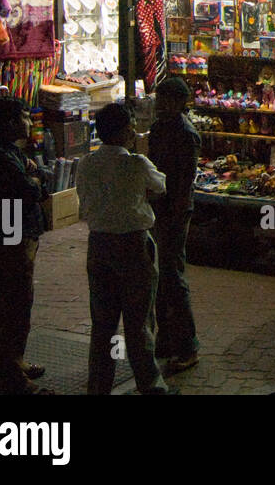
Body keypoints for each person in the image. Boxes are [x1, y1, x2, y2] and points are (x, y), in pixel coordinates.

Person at [76, 102, 170, 395]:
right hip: (133, 245)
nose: (133, 129)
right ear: (122, 130)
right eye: (130, 124)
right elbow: (160, 187)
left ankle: (99, 385)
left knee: (103, 324)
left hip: (99, 245)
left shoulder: (86, 163)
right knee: (139, 321)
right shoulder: (136, 163)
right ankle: (150, 385)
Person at [0, 97, 52, 395]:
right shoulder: (0, 157)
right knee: (13, 307)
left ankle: (14, 363)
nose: (29, 122)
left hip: (17, 236)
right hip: (12, 240)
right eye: (24, 117)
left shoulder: (9, 154)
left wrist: (32, 176)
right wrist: (33, 177)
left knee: (19, 305)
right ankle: (10, 376)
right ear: (9, 123)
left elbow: (37, 187)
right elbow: (31, 191)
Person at [148, 77, 201, 374]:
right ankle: (166, 340)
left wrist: (172, 215)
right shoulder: (159, 128)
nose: (159, 105)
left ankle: (188, 346)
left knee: (173, 277)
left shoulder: (185, 133)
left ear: (180, 102)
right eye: (159, 99)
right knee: (161, 277)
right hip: (160, 210)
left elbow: (183, 183)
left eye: (165, 100)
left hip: (175, 213)